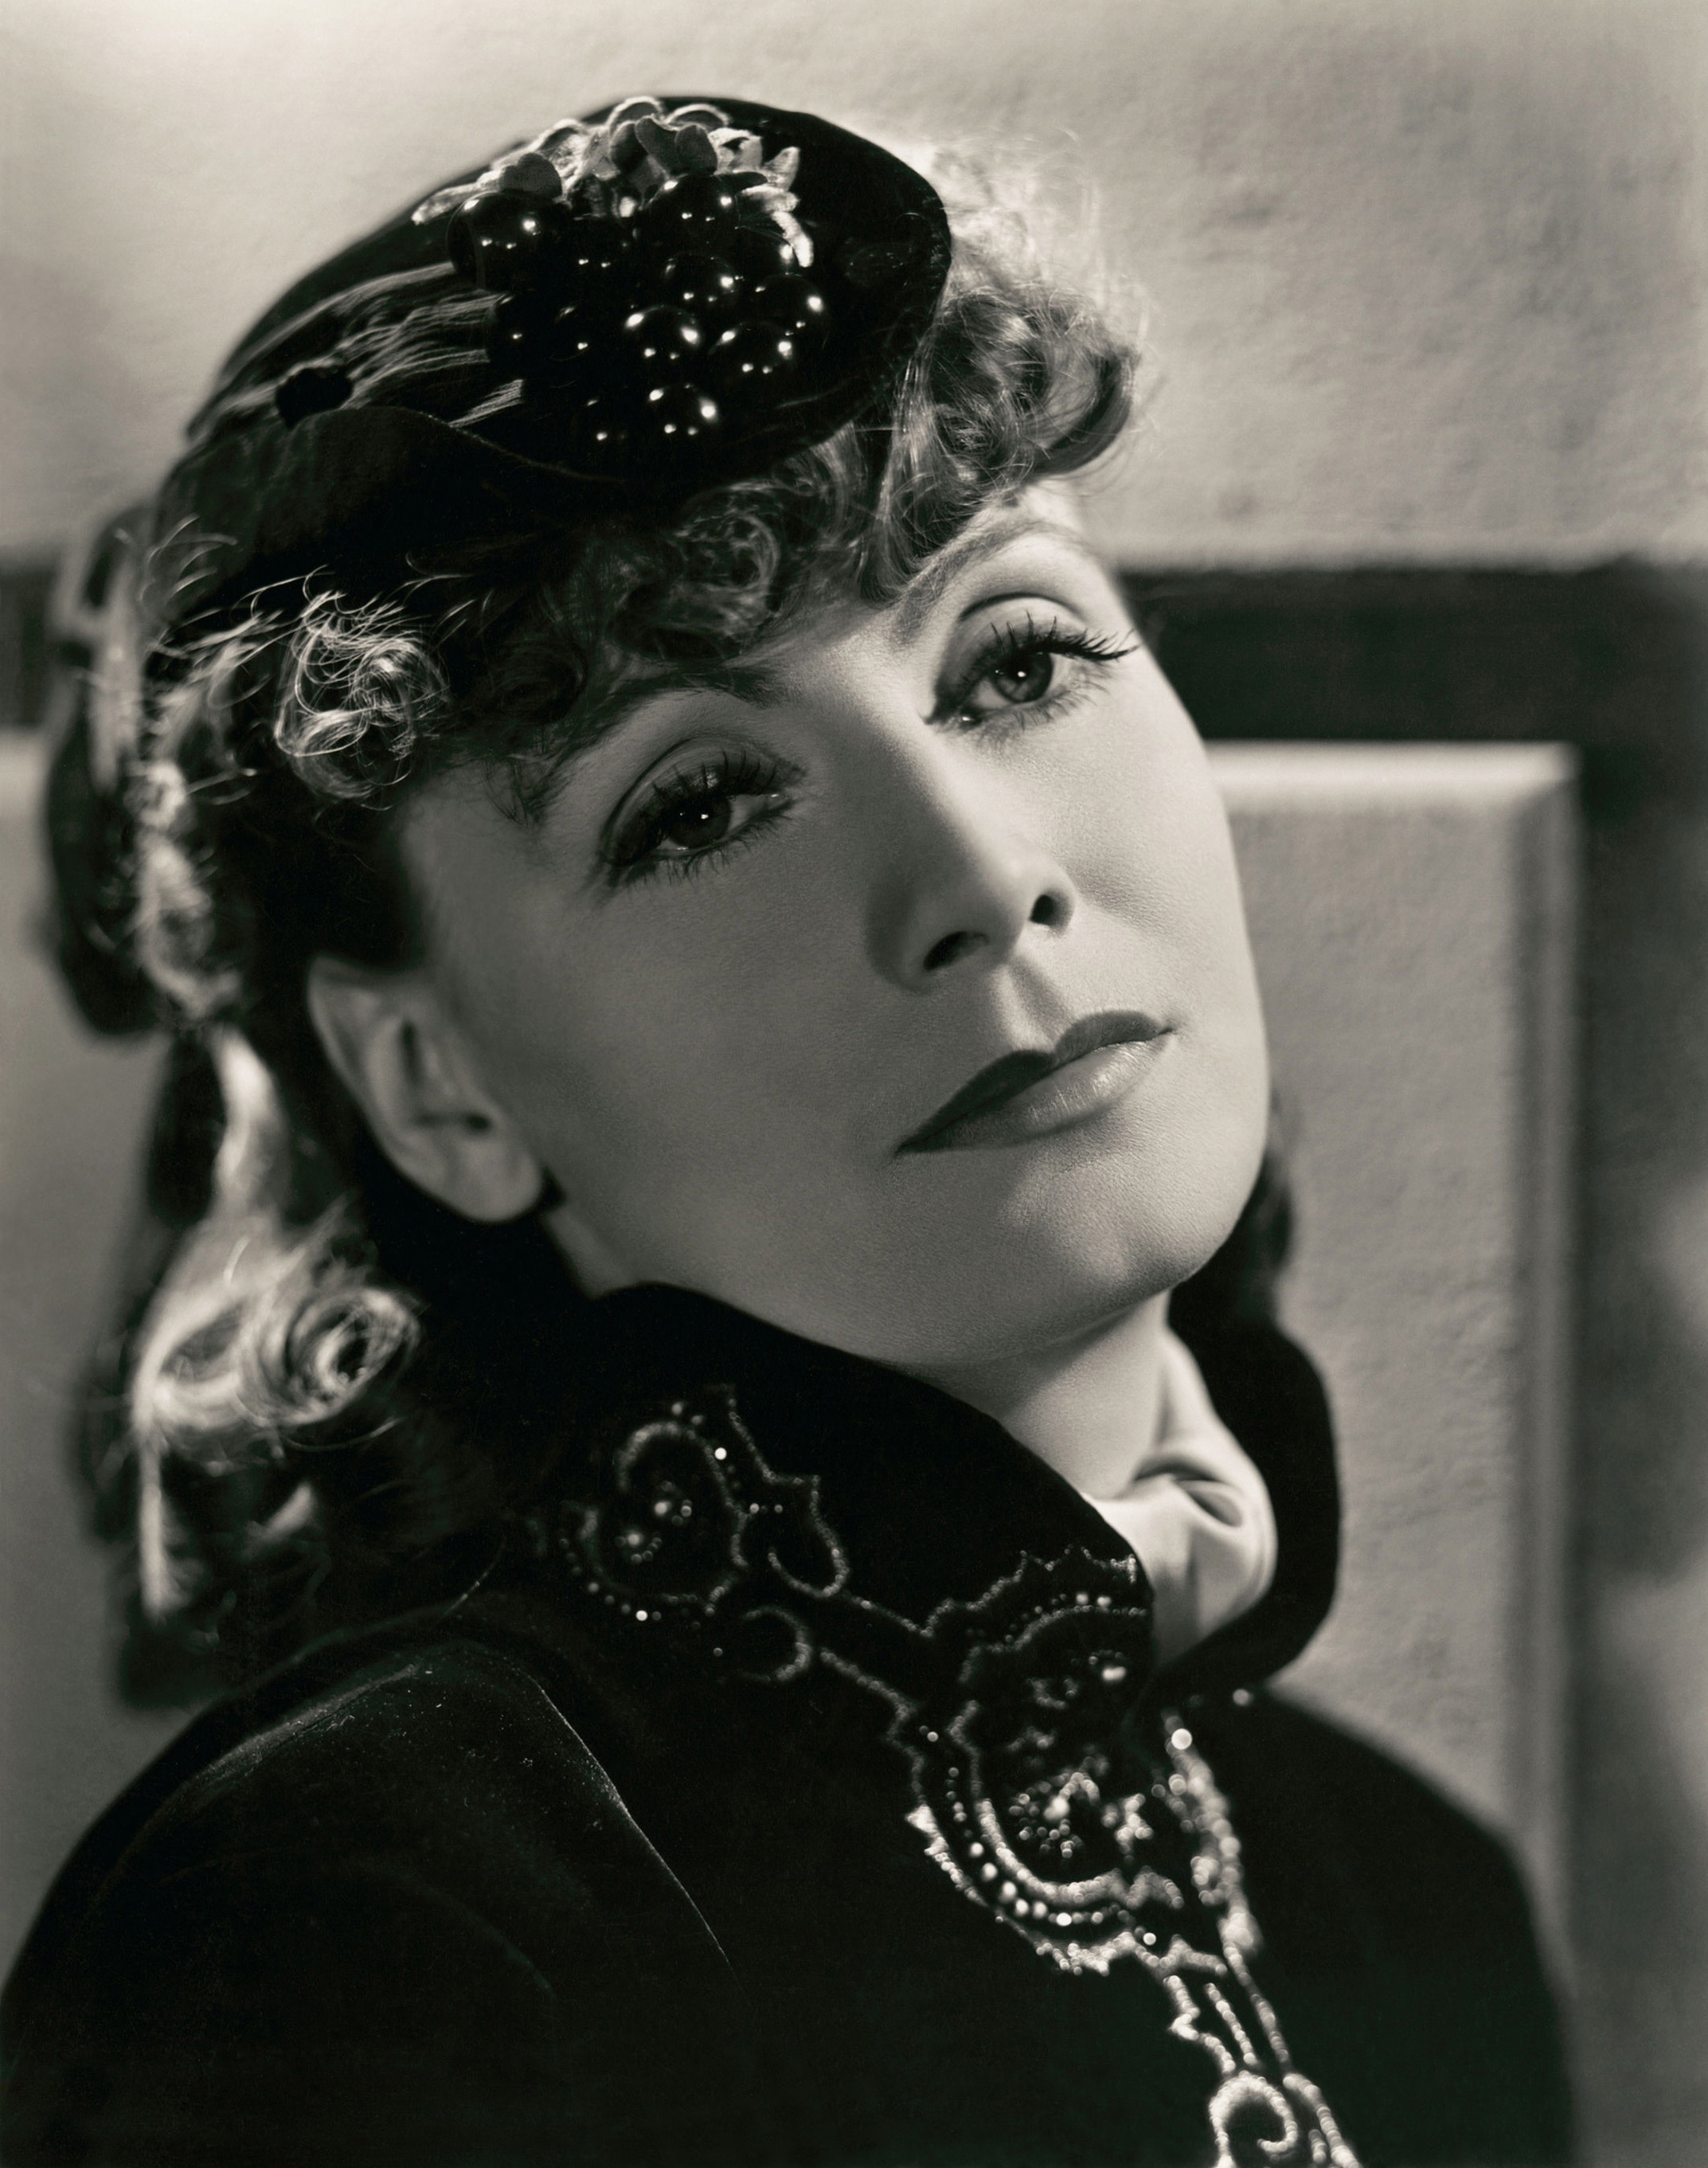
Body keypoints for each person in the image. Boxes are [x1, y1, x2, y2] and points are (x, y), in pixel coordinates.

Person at [1, 93, 1570, 2167]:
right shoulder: (355, 1921)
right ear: (438, 1087)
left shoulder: (1417, 1898)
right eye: (700, 804)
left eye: (1016, 661)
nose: (978, 878)